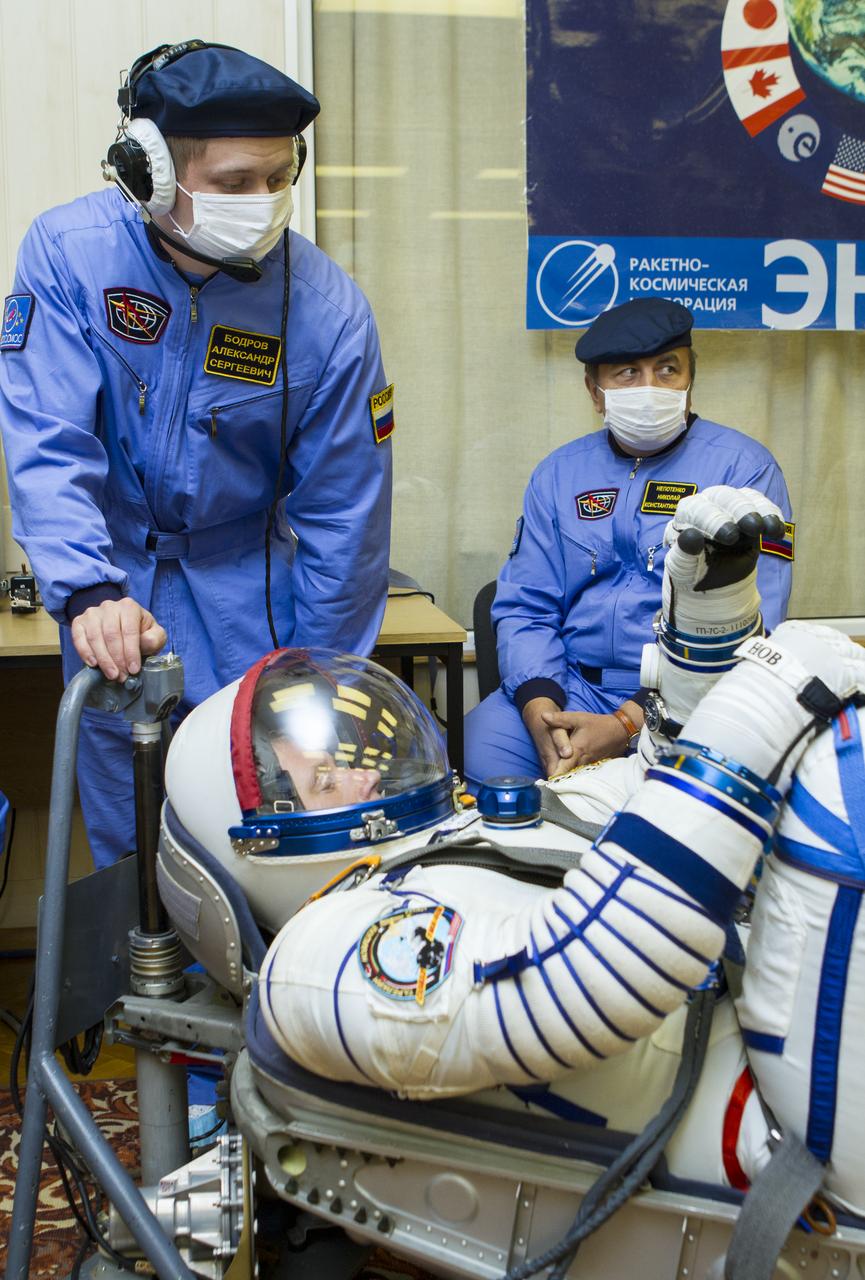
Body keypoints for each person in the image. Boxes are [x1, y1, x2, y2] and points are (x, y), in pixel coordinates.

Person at [158, 484, 865, 1215]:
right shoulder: (316, 966)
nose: (364, 765)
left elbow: (655, 781)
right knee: (837, 764)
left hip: (778, 1031)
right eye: (324, 776)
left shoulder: (466, 836)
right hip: (803, 1139)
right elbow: (589, 973)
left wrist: (709, 618)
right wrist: (757, 708)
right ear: (253, 843)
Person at [0, 40, 393, 869]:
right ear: (151, 173)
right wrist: (87, 588)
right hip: (115, 591)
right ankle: (134, 994)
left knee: (258, 842)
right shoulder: (71, 256)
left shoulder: (326, 314)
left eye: (279, 177)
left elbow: (343, 520)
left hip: (252, 601)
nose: (264, 203)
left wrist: (320, 688)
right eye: (234, 183)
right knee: (130, 849)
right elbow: (49, 436)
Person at [463, 297, 793, 789]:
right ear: (595, 392)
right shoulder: (559, 474)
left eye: (667, 370)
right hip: (568, 687)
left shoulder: (744, 470)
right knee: (478, 760)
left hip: (691, 697)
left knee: (671, 809)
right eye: (627, 374)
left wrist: (626, 724)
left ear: (689, 381)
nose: (650, 389)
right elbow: (525, 606)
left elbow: (753, 623)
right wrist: (541, 712)